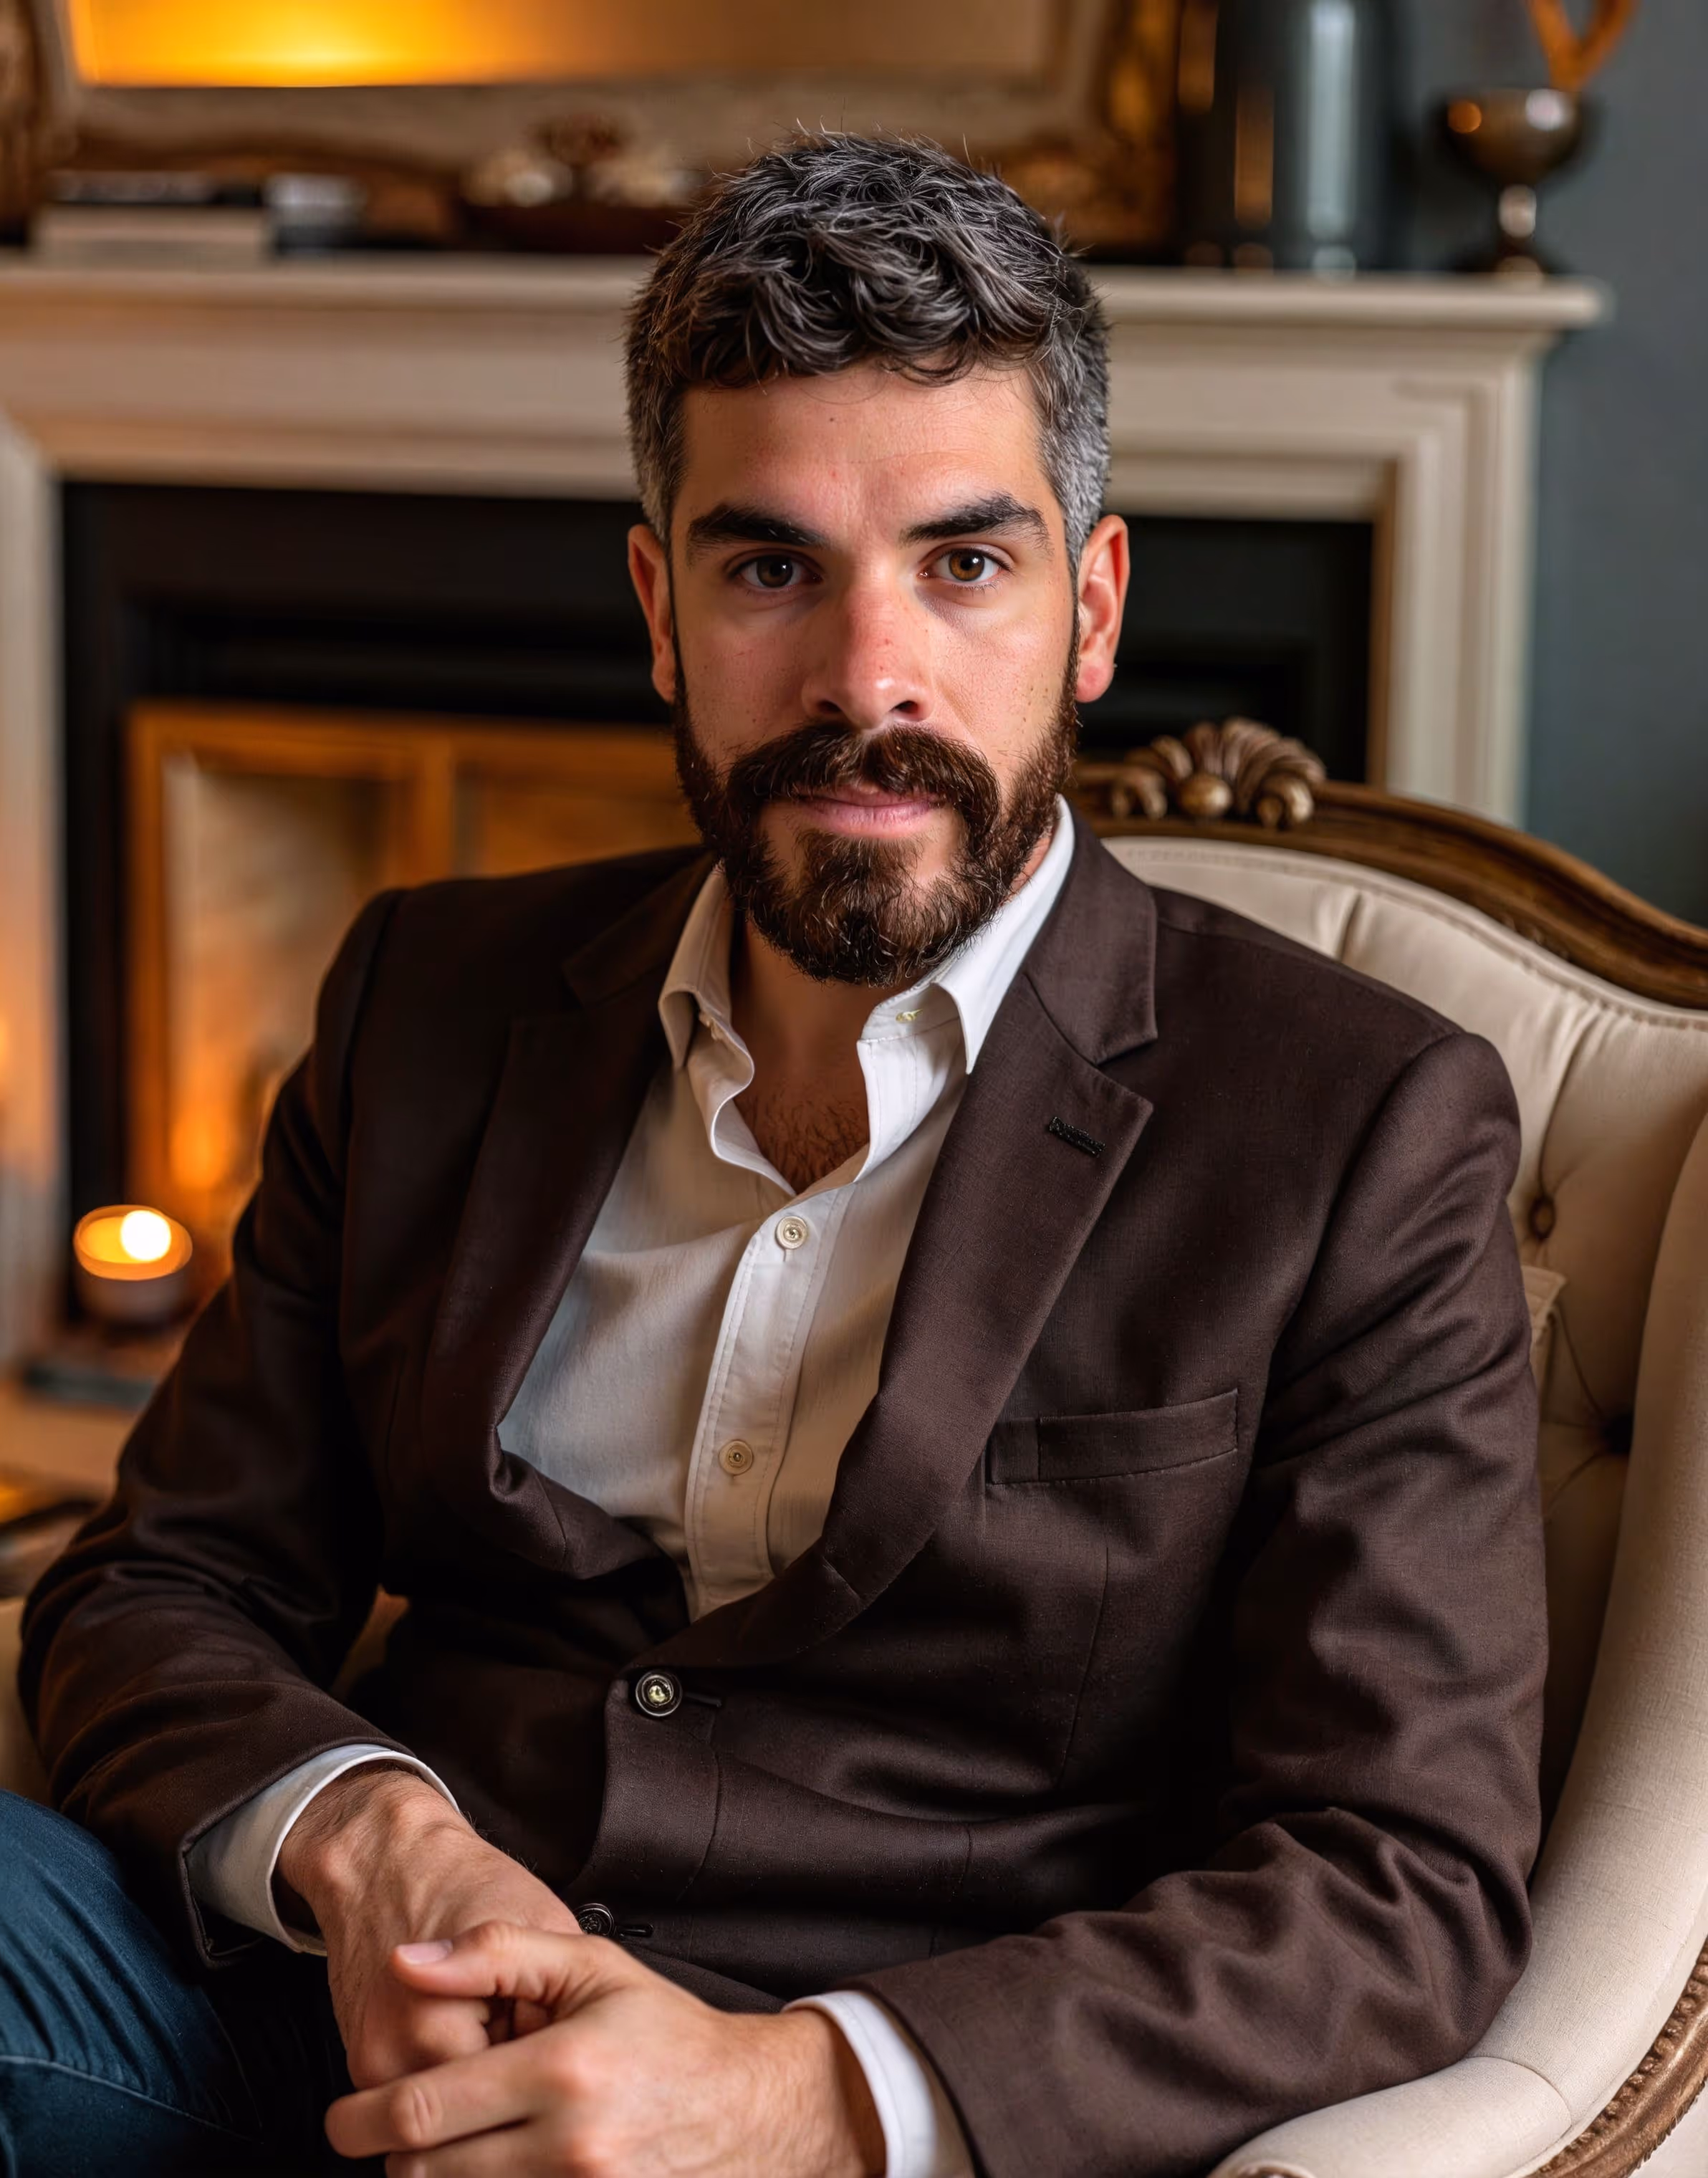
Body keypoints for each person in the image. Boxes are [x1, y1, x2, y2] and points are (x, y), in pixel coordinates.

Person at [6, 134, 1545, 2178]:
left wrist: (799, 2097)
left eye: (964, 563)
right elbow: (163, 1578)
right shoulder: (427, 996)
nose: (864, 681)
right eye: (768, 568)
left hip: (898, 2101)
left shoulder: (1361, 1125)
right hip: (348, 2026)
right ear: (659, 607)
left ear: (1091, 609)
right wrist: (370, 1850)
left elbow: (1397, 1879)